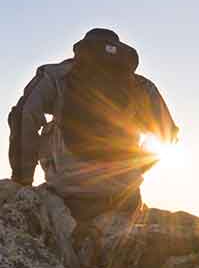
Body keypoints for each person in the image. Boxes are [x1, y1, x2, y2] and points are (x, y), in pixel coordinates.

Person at [7, 28, 178, 219]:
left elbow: (24, 114)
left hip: (67, 184)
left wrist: (22, 180)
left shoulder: (56, 74)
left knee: (46, 124)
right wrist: (135, 167)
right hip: (124, 188)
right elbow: (168, 134)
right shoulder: (142, 86)